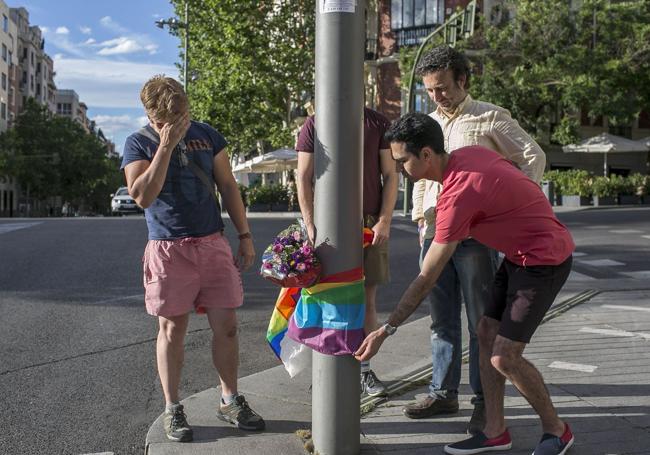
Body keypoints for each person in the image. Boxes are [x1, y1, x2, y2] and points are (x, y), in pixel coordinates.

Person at [355, 113, 575, 455]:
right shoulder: (467, 154)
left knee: (504, 357)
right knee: (486, 332)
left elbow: (426, 277)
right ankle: (495, 431)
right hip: (519, 256)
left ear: (426, 155)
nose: (399, 170)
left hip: (545, 260)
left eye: (402, 161)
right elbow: (511, 177)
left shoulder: (457, 197)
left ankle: (557, 431)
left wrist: (387, 329)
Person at [405, 45, 546, 435]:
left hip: (474, 238)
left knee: (480, 321)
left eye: (443, 87)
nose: (437, 96)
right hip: (434, 234)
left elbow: (533, 157)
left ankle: (485, 402)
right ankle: (442, 391)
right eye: (430, 90)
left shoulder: (489, 117)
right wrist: (420, 219)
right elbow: (421, 173)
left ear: (463, 80)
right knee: (440, 319)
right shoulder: (429, 123)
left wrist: (509, 208)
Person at [121, 76, 265, 443]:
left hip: (211, 242)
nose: (178, 123)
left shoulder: (207, 134)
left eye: (182, 114)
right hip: (168, 249)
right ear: (151, 116)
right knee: (172, 331)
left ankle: (230, 399)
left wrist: (245, 236)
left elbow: (228, 185)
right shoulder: (138, 142)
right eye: (166, 119)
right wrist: (165, 147)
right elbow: (142, 196)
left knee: (228, 326)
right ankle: (173, 408)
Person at [296, 106, 398, 396]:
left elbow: (390, 174)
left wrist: (385, 220)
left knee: (366, 298)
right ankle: (327, 368)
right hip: (327, 225)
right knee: (327, 297)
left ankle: (364, 371)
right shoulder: (315, 123)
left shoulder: (377, 121)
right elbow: (303, 175)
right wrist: (309, 222)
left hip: (368, 223)